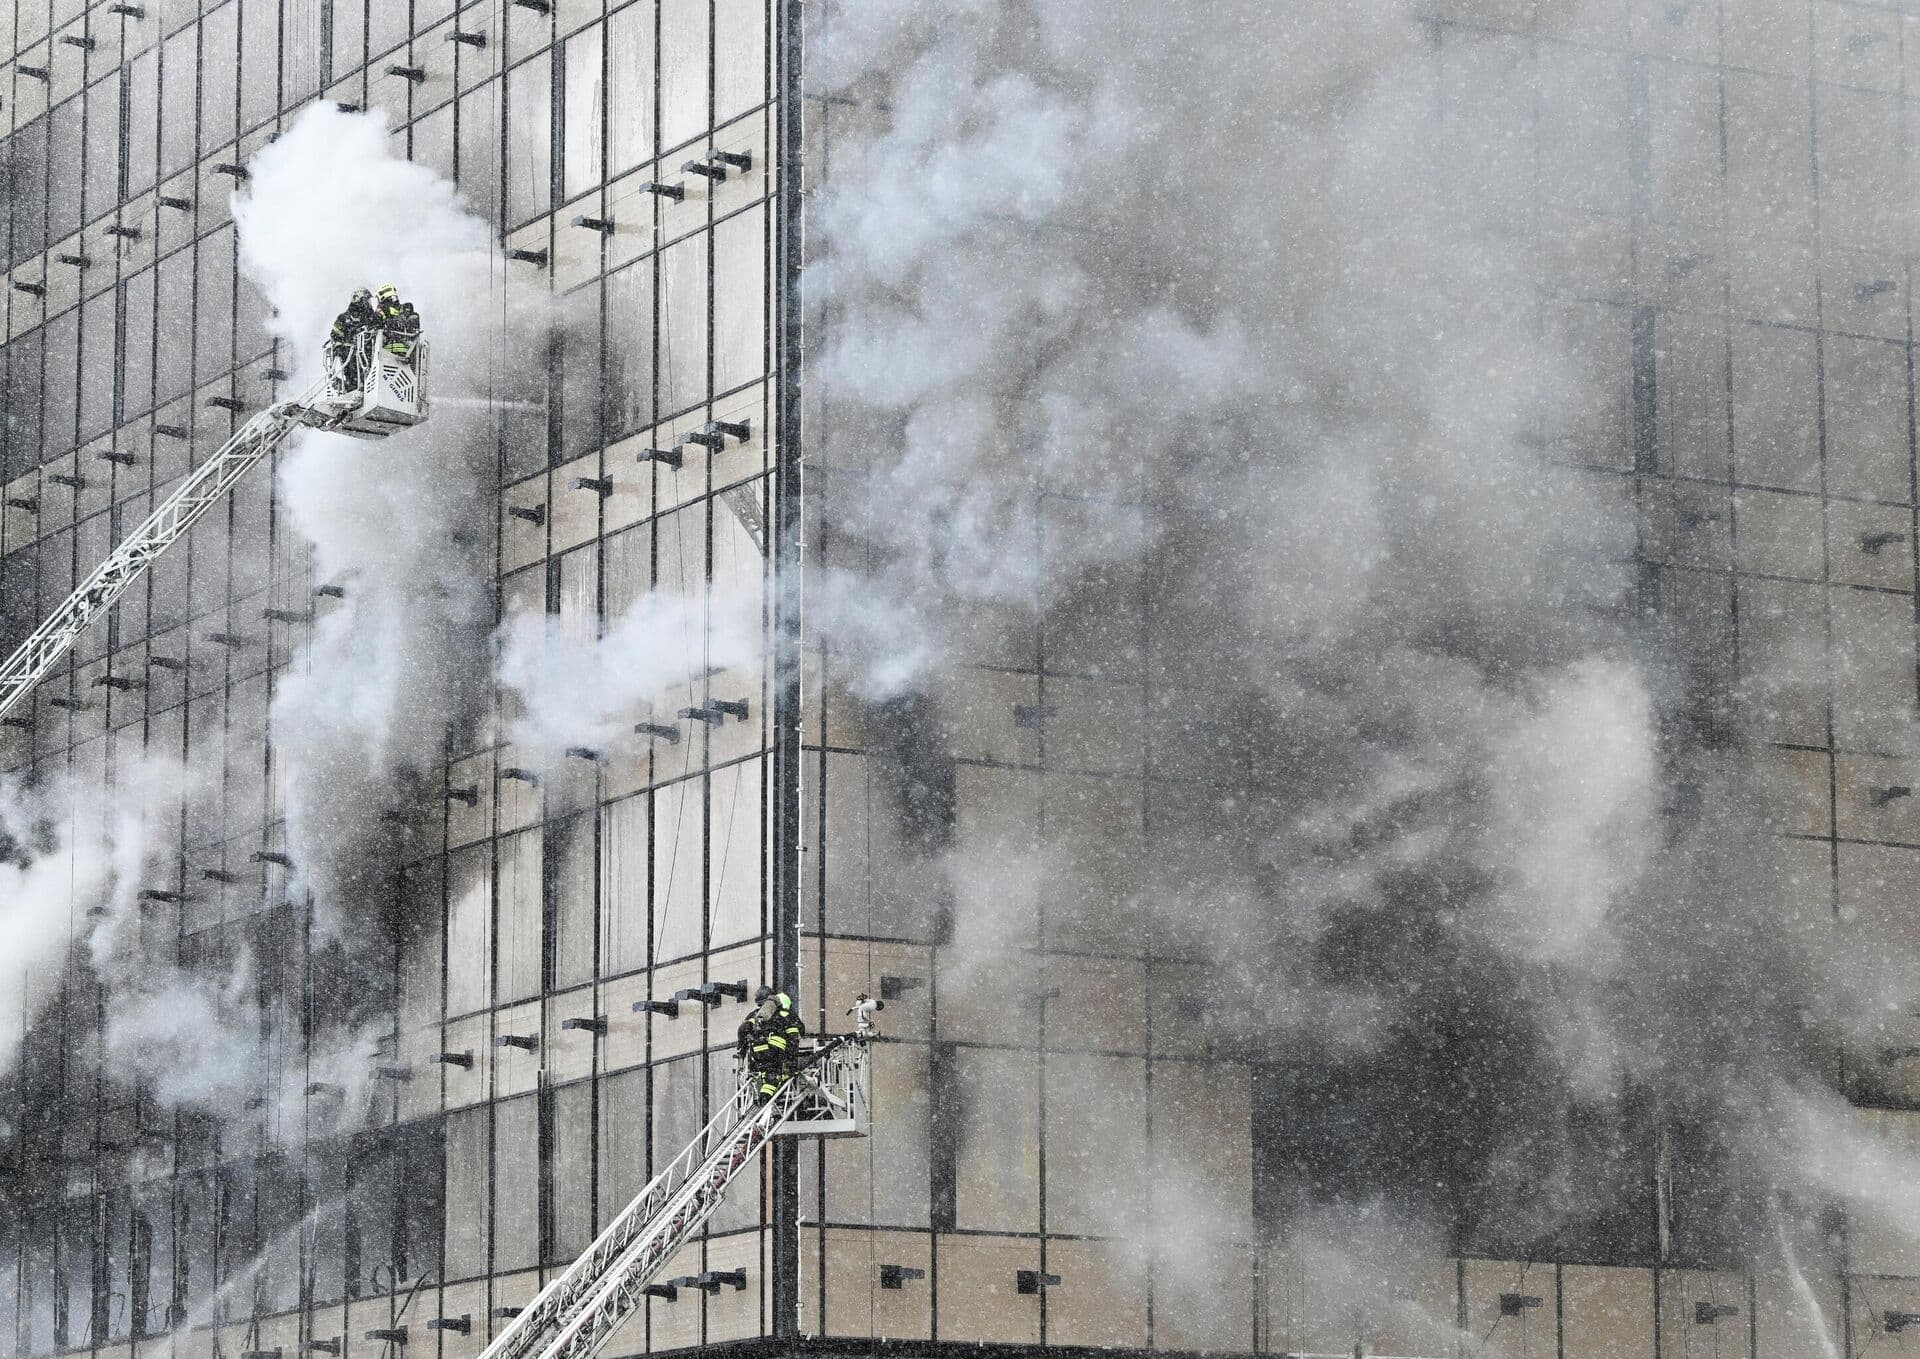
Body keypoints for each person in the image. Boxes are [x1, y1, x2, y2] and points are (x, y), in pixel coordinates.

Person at [736, 985, 806, 1101]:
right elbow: (794, 1039)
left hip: (756, 1051)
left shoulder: (755, 1015)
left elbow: (742, 1029)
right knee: (773, 1075)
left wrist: (741, 1049)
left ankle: (762, 1096)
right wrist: (792, 1063)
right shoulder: (787, 1015)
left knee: (766, 1073)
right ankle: (765, 1098)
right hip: (774, 1050)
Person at [326, 287, 380, 388]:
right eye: (366, 299)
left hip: (367, 355)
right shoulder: (343, 318)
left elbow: (377, 327)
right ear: (359, 299)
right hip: (349, 356)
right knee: (352, 375)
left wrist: (369, 331)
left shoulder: (371, 317)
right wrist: (343, 346)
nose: (368, 302)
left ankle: (359, 385)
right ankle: (351, 386)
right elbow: (335, 334)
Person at [374, 283, 421, 361]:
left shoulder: (382, 309)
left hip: (386, 353)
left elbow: (376, 322)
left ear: (382, 295)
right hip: (407, 353)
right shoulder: (405, 309)